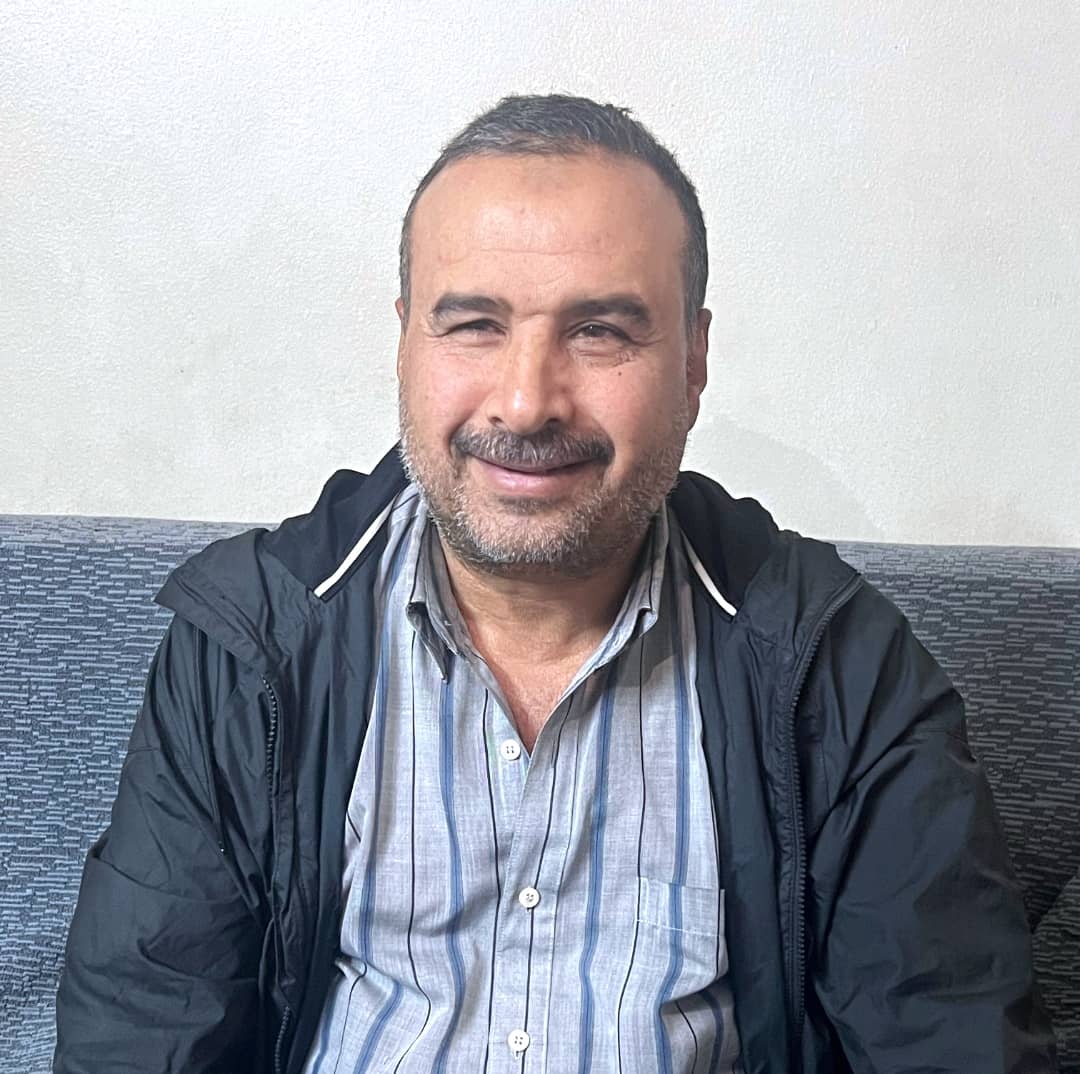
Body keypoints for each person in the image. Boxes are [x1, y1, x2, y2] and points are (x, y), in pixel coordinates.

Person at [54, 93, 1057, 1074]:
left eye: (601, 331)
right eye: (474, 324)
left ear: (694, 359)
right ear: (405, 343)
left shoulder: (836, 664)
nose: (528, 400)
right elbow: (142, 1036)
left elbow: (949, 1038)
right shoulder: (248, 647)